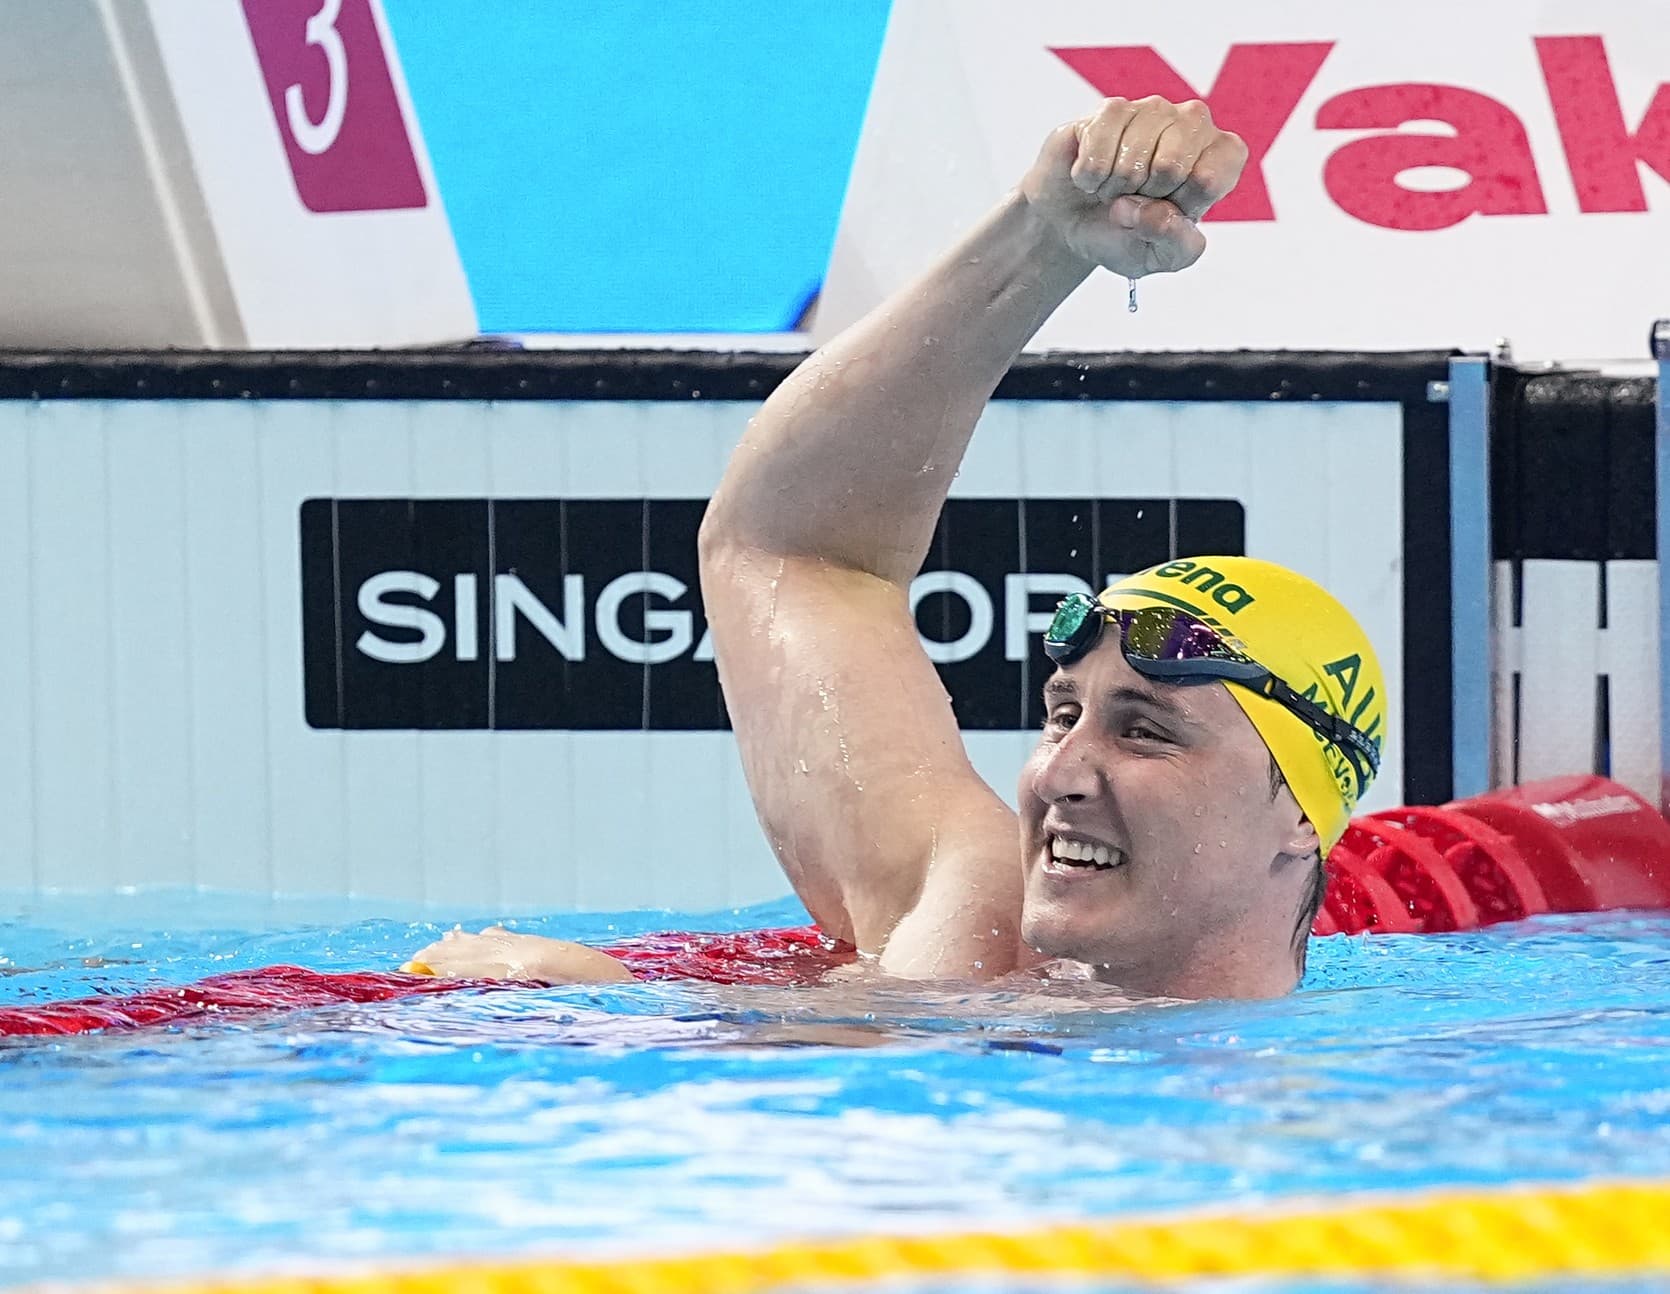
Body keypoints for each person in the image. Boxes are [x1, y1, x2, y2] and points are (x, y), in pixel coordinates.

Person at [406, 95, 1387, 999]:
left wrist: (625, 1013)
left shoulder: (1355, 1090)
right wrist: (1043, 237)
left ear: (1301, 816)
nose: (1058, 776)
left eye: (1144, 731)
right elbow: (793, 550)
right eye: (1061, 716)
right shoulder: (972, 931)